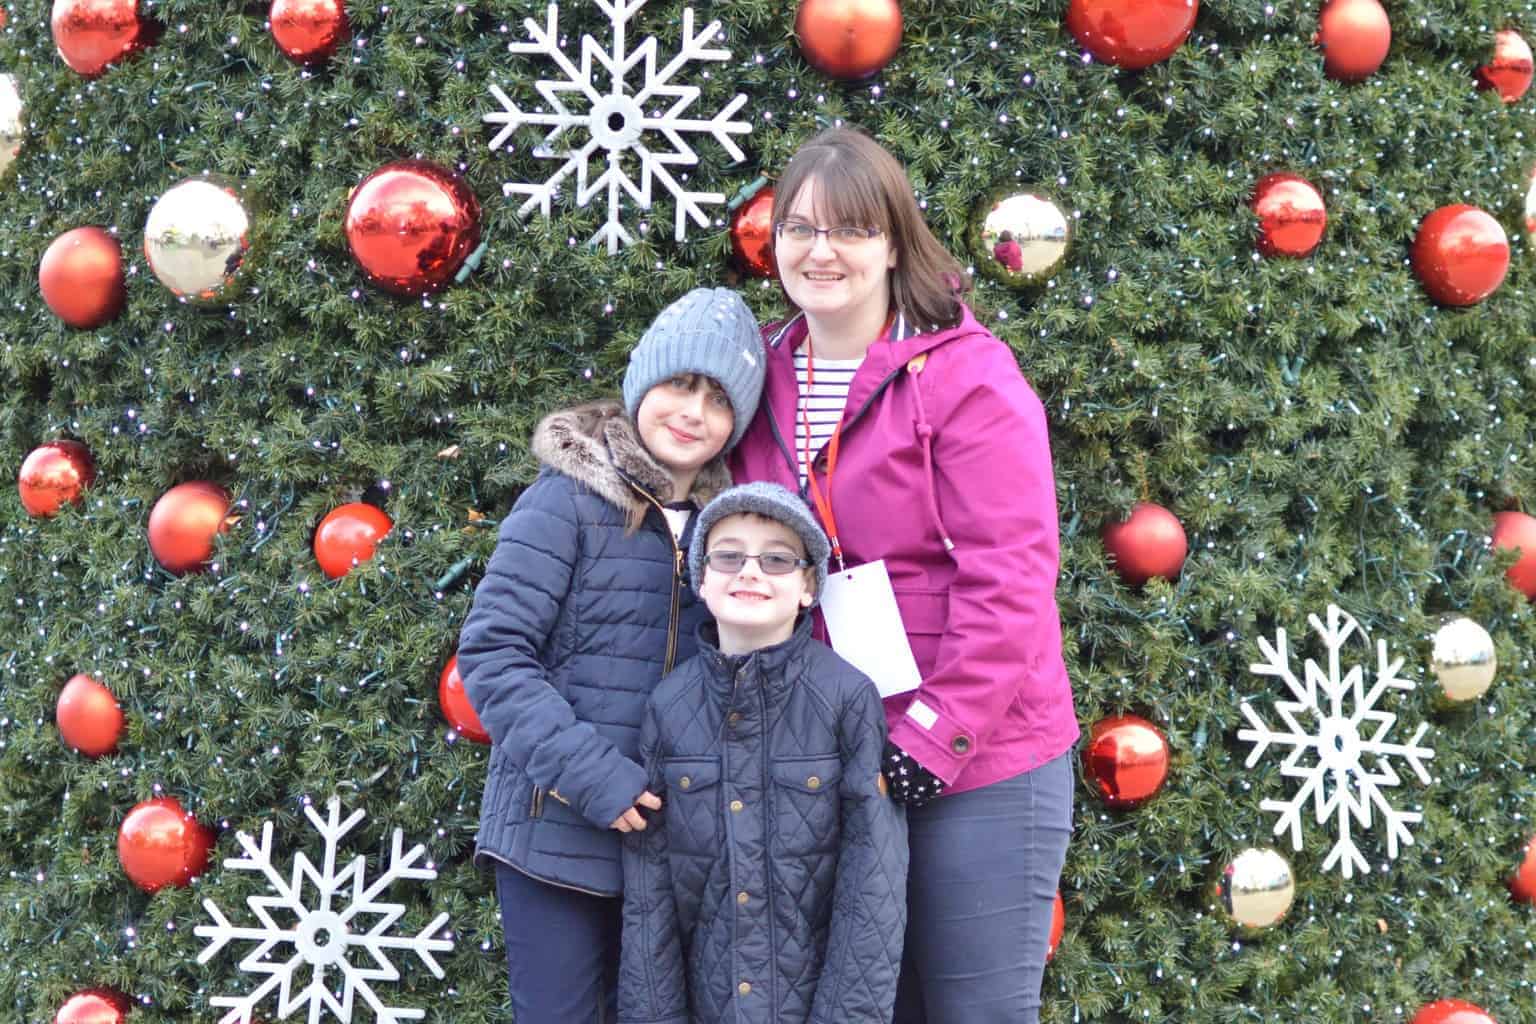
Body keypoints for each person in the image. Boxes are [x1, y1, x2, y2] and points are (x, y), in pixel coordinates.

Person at [730, 126, 1079, 1024]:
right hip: (834, 760)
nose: (822, 251)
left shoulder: (968, 377)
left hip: (981, 760)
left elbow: (1011, 573)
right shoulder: (755, 374)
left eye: (849, 229)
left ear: (892, 241)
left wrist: (938, 736)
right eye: (801, 229)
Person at [458, 287, 766, 1024]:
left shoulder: (733, 536)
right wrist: (594, 779)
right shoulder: (564, 501)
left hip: (671, 856)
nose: (693, 411)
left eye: (717, 399)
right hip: (554, 837)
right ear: (641, 385)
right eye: (678, 385)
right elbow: (494, 653)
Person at [619, 481, 907, 1024]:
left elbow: (874, 885)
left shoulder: (846, 697)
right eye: (729, 556)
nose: (749, 571)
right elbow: (648, 896)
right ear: (701, 578)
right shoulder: (668, 705)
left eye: (776, 558)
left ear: (807, 587)